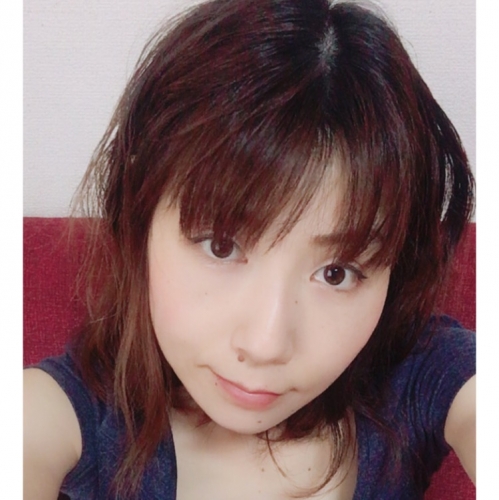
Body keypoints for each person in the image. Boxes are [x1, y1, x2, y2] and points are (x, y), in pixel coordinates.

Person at [23, 0, 476, 498]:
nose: (266, 345)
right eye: (221, 246)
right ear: (140, 213)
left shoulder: (419, 373)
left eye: (337, 273)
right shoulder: (72, 413)